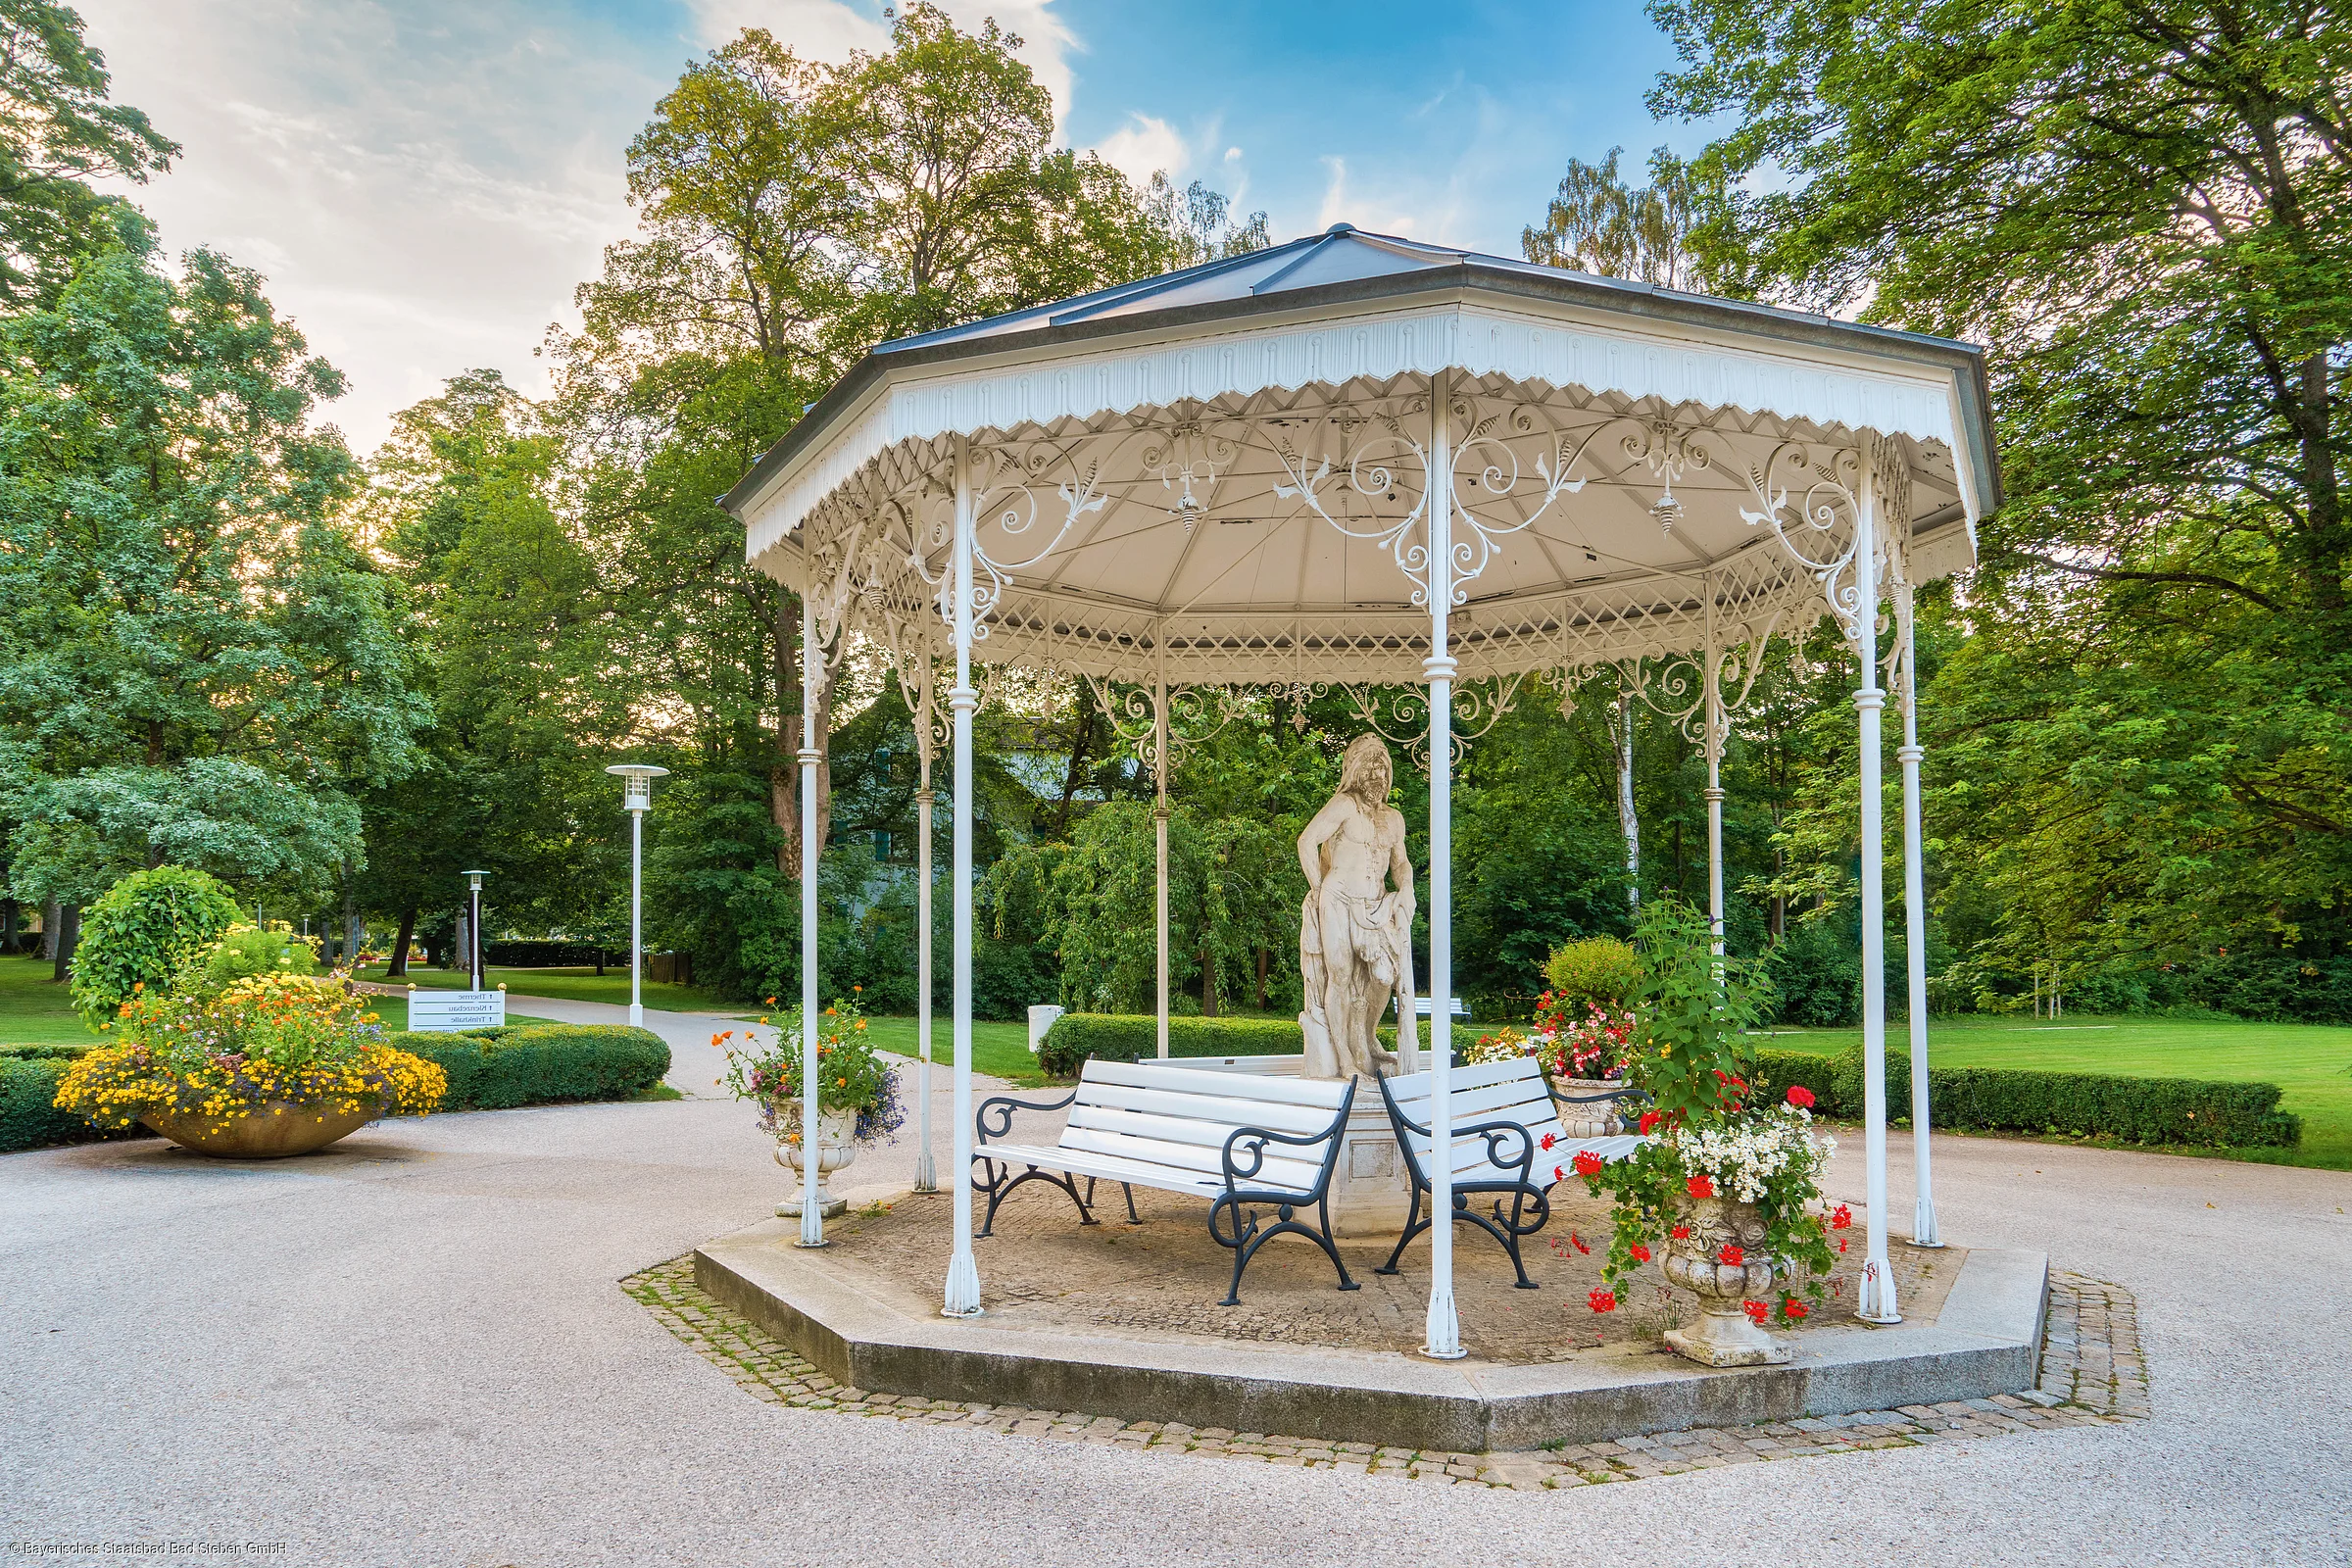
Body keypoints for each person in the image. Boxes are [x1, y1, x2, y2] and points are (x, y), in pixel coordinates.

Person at [1296, 734, 1418, 1079]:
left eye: (1383, 769)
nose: (1377, 776)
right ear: (1355, 770)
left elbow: (1400, 863)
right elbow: (1307, 841)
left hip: (1375, 904)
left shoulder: (1393, 818)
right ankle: (1345, 1059)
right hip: (1337, 899)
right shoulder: (1343, 805)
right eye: (1370, 768)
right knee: (1341, 975)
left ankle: (1366, 1034)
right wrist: (1317, 889)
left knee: (1385, 975)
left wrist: (1406, 887)